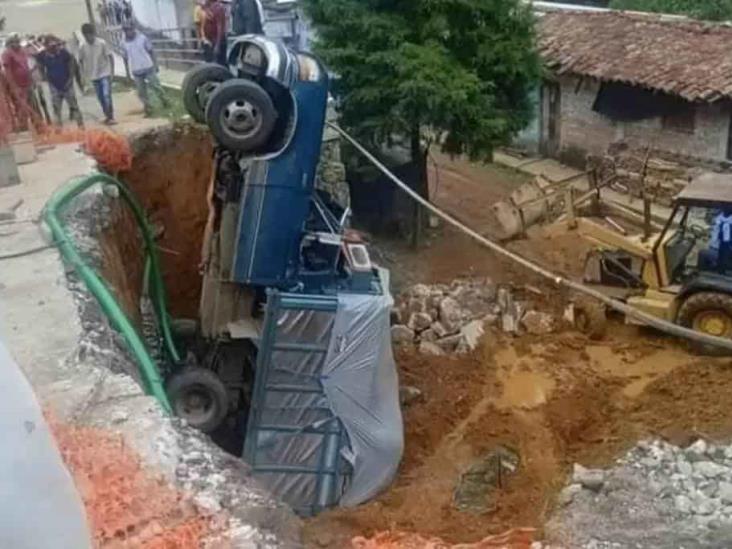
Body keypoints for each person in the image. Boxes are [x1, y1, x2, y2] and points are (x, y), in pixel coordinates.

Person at [121, 23, 169, 117]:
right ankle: (148, 109)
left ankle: (165, 101)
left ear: (133, 29)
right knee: (141, 92)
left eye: (130, 29)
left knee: (156, 86)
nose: (129, 32)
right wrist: (127, 72)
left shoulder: (142, 38)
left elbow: (151, 51)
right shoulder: (123, 43)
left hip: (148, 67)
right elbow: (125, 58)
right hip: (136, 70)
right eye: (126, 30)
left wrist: (155, 64)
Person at [36, 36, 84, 128]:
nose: (54, 48)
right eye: (51, 46)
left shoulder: (63, 53)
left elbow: (71, 64)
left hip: (67, 84)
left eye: (55, 46)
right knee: (56, 109)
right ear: (46, 46)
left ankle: (81, 126)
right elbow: (39, 64)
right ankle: (59, 129)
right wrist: (44, 76)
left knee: (74, 107)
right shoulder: (42, 55)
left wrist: (70, 79)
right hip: (54, 85)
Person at [78, 23, 116, 125]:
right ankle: (107, 115)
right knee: (100, 97)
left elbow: (110, 56)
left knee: (106, 95)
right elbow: (80, 61)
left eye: (90, 35)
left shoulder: (102, 43)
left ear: (94, 34)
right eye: (86, 35)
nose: (89, 38)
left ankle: (111, 116)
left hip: (104, 72)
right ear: (83, 35)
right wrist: (83, 74)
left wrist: (112, 72)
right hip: (93, 75)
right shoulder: (82, 46)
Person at [1, 33, 34, 130]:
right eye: (14, 42)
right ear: (10, 43)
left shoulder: (22, 51)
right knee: (20, 105)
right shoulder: (7, 54)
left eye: (17, 41)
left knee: (30, 104)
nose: (17, 43)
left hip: (27, 82)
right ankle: (22, 126)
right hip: (17, 84)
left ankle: (30, 124)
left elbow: (27, 65)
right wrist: (13, 86)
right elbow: (8, 71)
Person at [200, 0, 227, 65]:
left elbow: (219, 27)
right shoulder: (208, 8)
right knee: (211, 64)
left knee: (219, 64)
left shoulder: (218, 8)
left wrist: (217, 45)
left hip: (217, 41)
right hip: (210, 41)